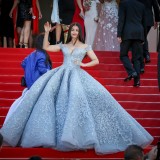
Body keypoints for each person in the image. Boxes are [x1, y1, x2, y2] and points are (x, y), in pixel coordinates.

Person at [0, 22, 153, 154]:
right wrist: (46, 33)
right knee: (51, 99)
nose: (74, 32)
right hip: (61, 74)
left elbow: (96, 60)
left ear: (80, 33)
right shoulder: (64, 45)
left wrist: (84, 64)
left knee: (81, 101)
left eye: (76, 30)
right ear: (69, 31)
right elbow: (46, 47)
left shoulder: (86, 46)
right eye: (72, 30)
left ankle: (79, 136)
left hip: (78, 76)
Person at [3, 33, 52, 124]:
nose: (49, 42)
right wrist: (52, 72)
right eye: (47, 40)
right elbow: (42, 69)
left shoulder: (32, 54)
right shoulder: (42, 55)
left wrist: (30, 70)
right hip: (38, 85)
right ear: (43, 42)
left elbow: (23, 63)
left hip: (30, 85)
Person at [117, 0, 146, 87]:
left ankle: (132, 72)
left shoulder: (123, 3)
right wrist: (143, 36)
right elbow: (144, 22)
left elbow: (121, 19)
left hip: (127, 32)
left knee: (123, 55)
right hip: (139, 33)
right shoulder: (141, 5)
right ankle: (137, 82)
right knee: (136, 58)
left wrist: (119, 34)